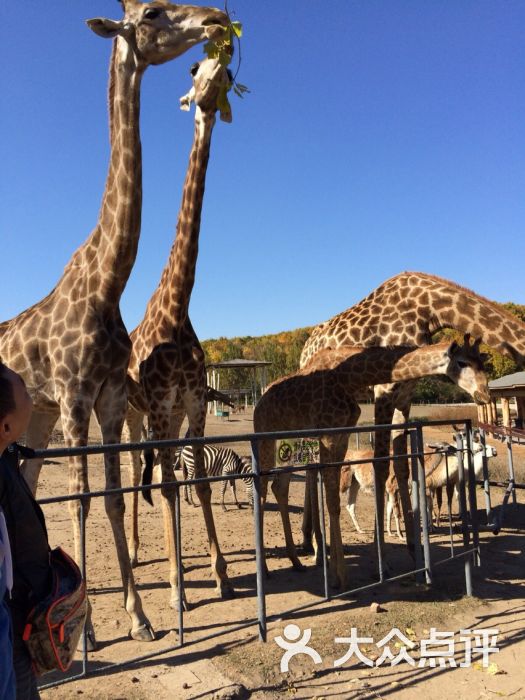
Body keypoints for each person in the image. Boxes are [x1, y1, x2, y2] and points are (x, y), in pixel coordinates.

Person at [0, 362, 51, 700]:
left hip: (19, 619)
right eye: (24, 392)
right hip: (12, 623)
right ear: (6, 425)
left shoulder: (6, 456)